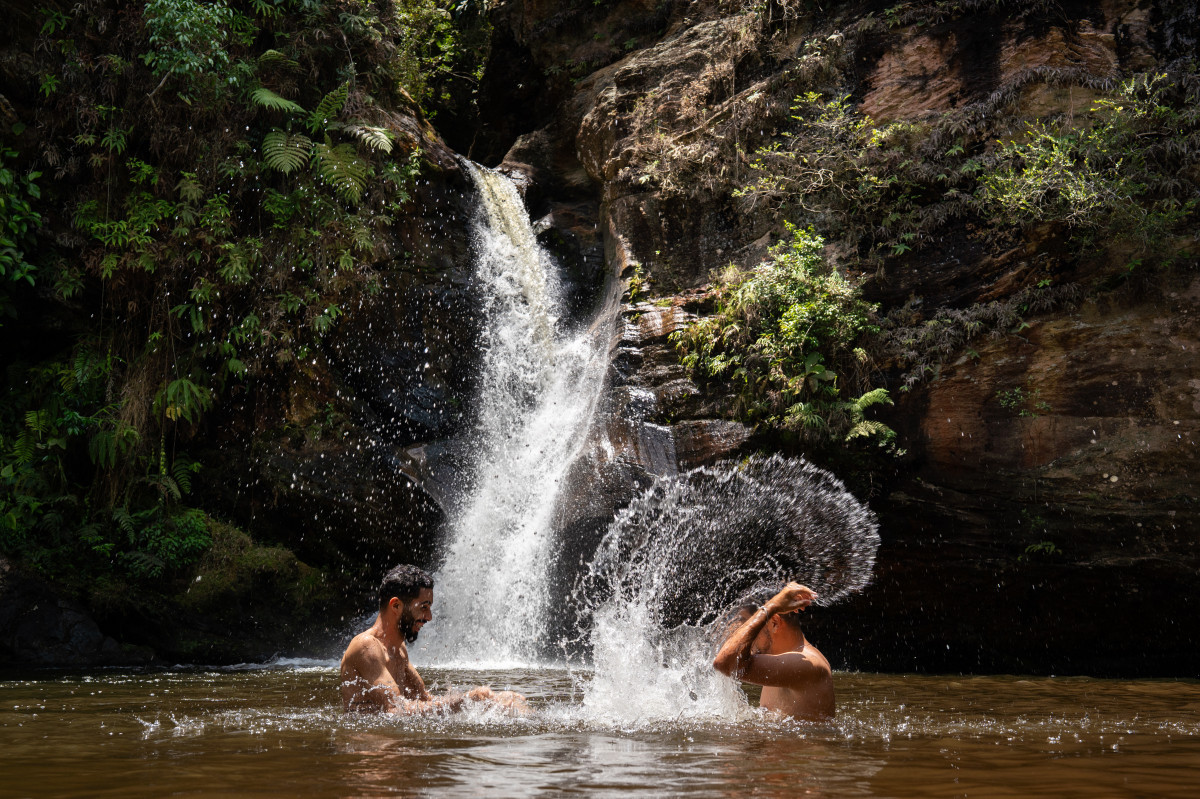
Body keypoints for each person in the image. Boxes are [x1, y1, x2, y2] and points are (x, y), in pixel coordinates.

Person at [339, 564, 527, 714]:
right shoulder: (367, 646)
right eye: (424, 607)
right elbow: (395, 710)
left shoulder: (399, 650)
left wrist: (488, 699)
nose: (429, 617)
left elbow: (424, 701)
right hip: (370, 750)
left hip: (393, 746)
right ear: (396, 605)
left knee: (512, 706)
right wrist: (466, 699)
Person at [712, 581, 835, 721]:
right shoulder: (779, 659)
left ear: (774, 623)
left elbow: (724, 664)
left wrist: (771, 607)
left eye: (751, 625)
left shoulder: (808, 664)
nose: (746, 635)